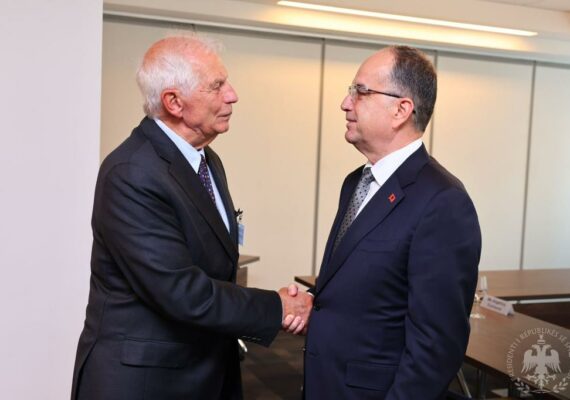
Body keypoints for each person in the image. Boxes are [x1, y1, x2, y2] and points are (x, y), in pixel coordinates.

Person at [71, 35, 311, 400]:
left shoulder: (207, 160)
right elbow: (181, 291)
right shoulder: (132, 172)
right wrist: (278, 307)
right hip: (146, 383)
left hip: (203, 368)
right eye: (217, 85)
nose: (232, 95)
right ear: (174, 102)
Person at [302, 46, 482, 399]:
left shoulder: (443, 202)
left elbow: (436, 346)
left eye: (360, 91)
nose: (345, 103)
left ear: (401, 110)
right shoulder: (355, 182)